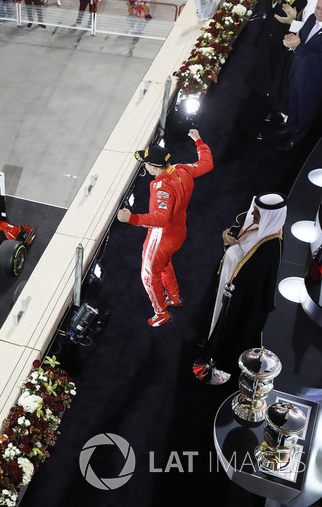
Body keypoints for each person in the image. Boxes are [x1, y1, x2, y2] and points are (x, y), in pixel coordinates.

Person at [116, 129, 214, 326]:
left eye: (146, 163)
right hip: (179, 232)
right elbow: (207, 164)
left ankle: (161, 312)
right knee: (165, 263)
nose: (144, 165)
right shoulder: (181, 168)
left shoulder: (162, 187)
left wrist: (131, 219)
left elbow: (160, 219)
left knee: (148, 274)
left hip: (162, 236)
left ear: (153, 167)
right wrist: (199, 141)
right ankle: (174, 296)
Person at [193, 193, 287, 385]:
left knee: (227, 330)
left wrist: (233, 250)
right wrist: (229, 242)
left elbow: (251, 280)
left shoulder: (271, 248)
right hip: (229, 292)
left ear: (270, 216)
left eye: (257, 211)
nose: (252, 212)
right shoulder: (261, 228)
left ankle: (218, 362)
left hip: (239, 304)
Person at [281, 0, 322, 149]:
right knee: (294, 104)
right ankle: (290, 127)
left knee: (306, 112)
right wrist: (292, 40)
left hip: (313, 81)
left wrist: (297, 46)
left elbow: (318, 58)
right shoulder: (312, 18)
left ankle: (298, 139)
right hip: (298, 72)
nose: (319, 12)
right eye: (318, 7)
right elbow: (301, 38)